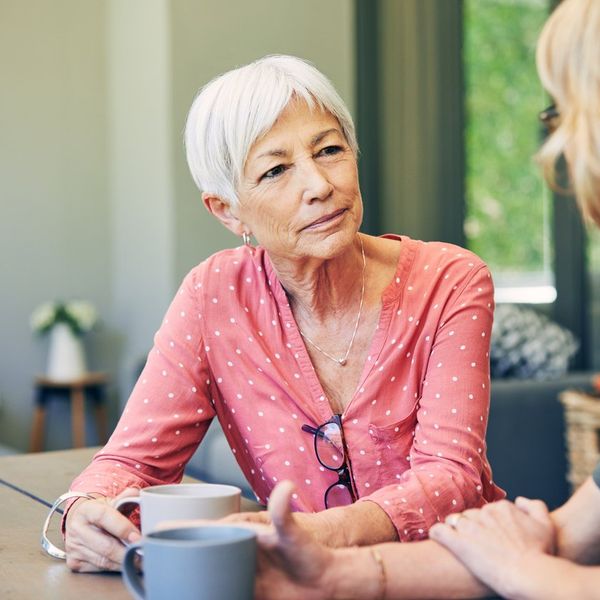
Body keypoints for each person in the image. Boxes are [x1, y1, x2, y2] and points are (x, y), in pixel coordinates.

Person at [63, 54, 503, 573]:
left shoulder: (450, 280)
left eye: (330, 150)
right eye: (276, 170)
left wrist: (309, 534)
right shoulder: (214, 297)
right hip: (306, 585)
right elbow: (131, 461)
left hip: (454, 576)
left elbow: (452, 478)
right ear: (227, 210)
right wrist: (83, 513)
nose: (319, 184)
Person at [248, 1, 600, 598]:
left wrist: (524, 568)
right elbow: (578, 531)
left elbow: (538, 551)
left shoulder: (452, 278)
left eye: (565, 112)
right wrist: (331, 575)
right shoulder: (215, 291)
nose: (558, 149)